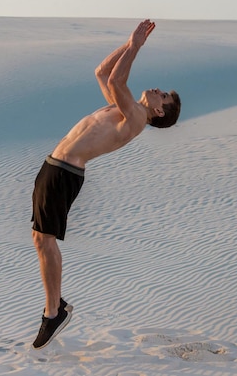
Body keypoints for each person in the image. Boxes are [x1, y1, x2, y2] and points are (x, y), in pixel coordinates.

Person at [31, 19, 181, 349]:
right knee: (40, 239)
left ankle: (53, 311)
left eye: (164, 96)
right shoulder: (124, 108)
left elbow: (116, 79)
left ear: (158, 112)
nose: (159, 89)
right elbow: (103, 73)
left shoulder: (136, 118)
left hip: (65, 173)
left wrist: (135, 45)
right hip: (54, 167)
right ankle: (55, 308)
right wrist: (128, 46)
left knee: (46, 241)